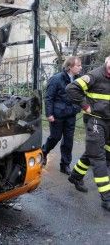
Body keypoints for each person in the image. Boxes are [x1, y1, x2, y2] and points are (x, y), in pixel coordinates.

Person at [66, 56, 110, 211]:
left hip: (109, 121)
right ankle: (106, 198)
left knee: (95, 151)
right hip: (95, 120)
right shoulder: (94, 76)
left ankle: (75, 176)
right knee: (99, 157)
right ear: (107, 62)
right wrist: (86, 107)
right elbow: (71, 88)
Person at [42, 56, 82, 174]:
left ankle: (65, 165)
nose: (81, 67)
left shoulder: (79, 80)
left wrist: (78, 107)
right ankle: (44, 152)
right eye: (78, 65)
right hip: (57, 115)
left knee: (68, 140)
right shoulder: (56, 79)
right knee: (55, 137)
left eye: (80, 65)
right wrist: (49, 114)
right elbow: (49, 97)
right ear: (70, 67)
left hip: (71, 114)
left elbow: (80, 95)